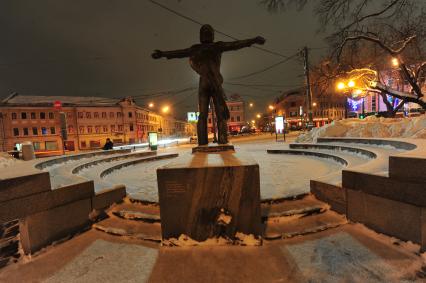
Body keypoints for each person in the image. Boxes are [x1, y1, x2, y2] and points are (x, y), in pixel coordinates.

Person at [152, 25, 265, 145]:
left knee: (203, 115)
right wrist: (253, 40)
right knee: (220, 114)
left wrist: (163, 54)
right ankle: (222, 141)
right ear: (212, 35)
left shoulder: (196, 48)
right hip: (215, 83)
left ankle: (202, 143)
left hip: (204, 84)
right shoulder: (217, 46)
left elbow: (180, 53)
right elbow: (236, 45)